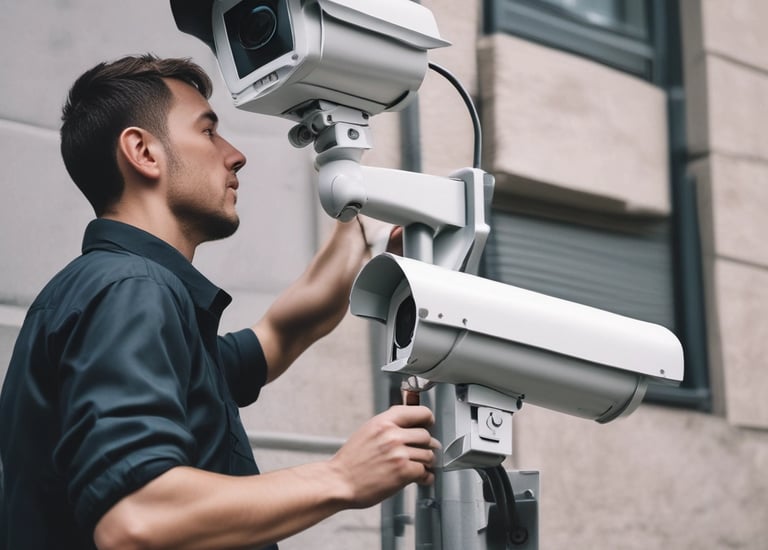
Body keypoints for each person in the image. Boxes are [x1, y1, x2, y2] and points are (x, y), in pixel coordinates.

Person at [0, 54, 438, 550]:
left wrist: (358, 224)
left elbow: (280, 335)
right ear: (143, 152)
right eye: (208, 132)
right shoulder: (131, 289)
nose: (235, 155)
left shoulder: (120, 293)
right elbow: (135, 517)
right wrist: (343, 476)